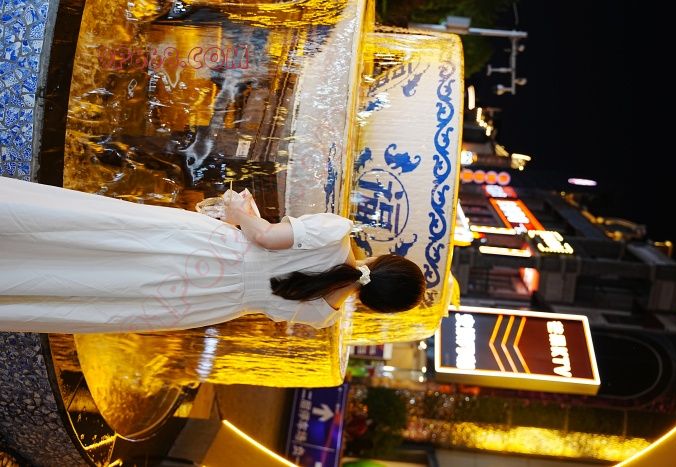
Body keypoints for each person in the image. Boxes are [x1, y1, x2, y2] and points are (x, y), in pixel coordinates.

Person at [0, 177, 425, 334]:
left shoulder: (337, 233)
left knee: (100, 236)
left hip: (210, 250)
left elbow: (264, 238)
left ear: (385, 260)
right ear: (376, 305)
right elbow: (273, 274)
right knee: (100, 290)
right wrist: (253, 223)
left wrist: (239, 211)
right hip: (206, 301)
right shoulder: (324, 317)